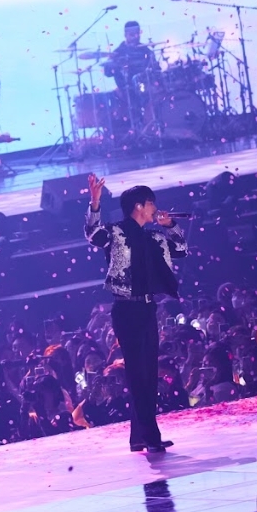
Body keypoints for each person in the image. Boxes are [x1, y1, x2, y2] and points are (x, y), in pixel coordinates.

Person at [86, 174, 188, 452]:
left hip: (147, 308)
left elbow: (181, 250)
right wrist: (95, 202)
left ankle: (138, 437)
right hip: (126, 309)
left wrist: (171, 226)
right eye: (152, 203)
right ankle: (151, 437)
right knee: (137, 374)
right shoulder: (116, 232)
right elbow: (93, 234)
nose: (156, 208)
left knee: (148, 373)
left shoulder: (154, 236)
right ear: (139, 206)